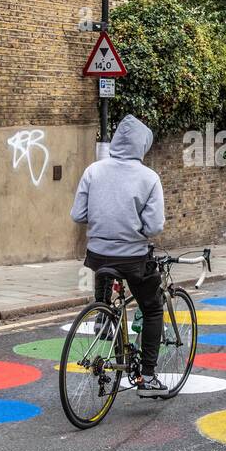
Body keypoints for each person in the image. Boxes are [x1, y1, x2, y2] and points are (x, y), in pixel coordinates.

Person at [70, 115, 167, 393]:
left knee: (106, 281)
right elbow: (155, 226)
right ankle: (147, 377)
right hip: (133, 259)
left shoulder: (93, 171)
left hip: (97, 255)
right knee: (152, 308)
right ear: (142, 145)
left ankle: (103, 314)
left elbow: (78, 215)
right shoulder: (149, 178)